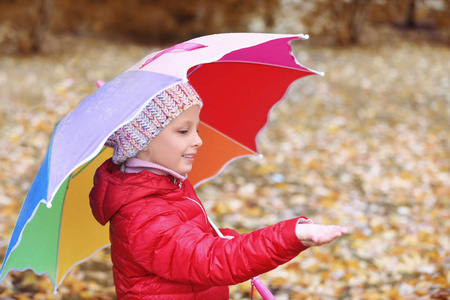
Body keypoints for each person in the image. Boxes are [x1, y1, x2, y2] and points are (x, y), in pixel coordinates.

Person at [89, 82, 348, 300]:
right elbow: (210, 259)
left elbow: (199, 244)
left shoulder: (165, 185)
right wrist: (292, 235)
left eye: (197, 129)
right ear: (141, 143)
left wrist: (234, 244)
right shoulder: (144, 215)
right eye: (183, 131)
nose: (198, 140)